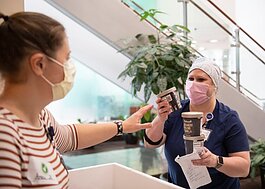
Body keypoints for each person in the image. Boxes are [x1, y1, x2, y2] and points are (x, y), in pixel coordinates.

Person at [0, 12, 153, 188]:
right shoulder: (5, 133)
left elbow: (70, 137)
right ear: (39, 64)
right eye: (66, 58)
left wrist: (123, 126)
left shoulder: (41, 117)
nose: (70, 67)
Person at [144, 57, 250, 189]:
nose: (194, 84)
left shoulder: (228, 119)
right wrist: (160, 118)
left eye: (201, 79)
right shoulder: (176, 111)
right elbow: (150, 143)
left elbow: (244, 168)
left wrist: (215, 161)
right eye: (191, 78)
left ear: (214, 86)